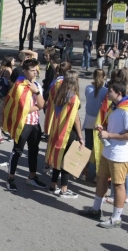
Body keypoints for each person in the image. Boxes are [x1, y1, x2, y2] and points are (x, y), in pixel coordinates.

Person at [79, 82, 128, 229]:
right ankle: (95, 210)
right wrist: (103, 128)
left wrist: (109, 134)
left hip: (120, 155)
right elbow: (113, 125)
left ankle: (116, 218)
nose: (107, 93)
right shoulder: (115, 106)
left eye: (110, 91)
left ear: (118, 93)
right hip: (108, 151)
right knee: (101, 179)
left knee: (118, 185)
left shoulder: (127, 110)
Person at [3, 58, 48, 191]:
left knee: (34, 150)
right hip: (23, 124)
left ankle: (32, 177)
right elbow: (23, 109)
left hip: (35, 123)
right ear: (24, 71)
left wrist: (37, 94)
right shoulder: (19, 86)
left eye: (36, 70)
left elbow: (42, 104)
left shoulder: (36, 85)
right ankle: (10, 178)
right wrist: (37, 105)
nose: (35, 72)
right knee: (17, 151)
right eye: (32, 70)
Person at [45, 70, 84, 198]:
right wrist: (80, 136)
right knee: (68, 160)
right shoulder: (74, 98)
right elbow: (76, 119)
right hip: (68, 131)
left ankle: (53, 185)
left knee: (58, 158)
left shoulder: (59, 93)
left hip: (57, 129)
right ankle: (64, 189)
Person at [83, 69, 108, 179]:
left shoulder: (88, 88)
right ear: (104, 77)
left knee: (88, 145)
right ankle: (97, 174)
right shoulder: (106, 91)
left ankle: (84, 171)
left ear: (93, 76)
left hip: (89, 119)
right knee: (99, 148)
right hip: (99, 121)